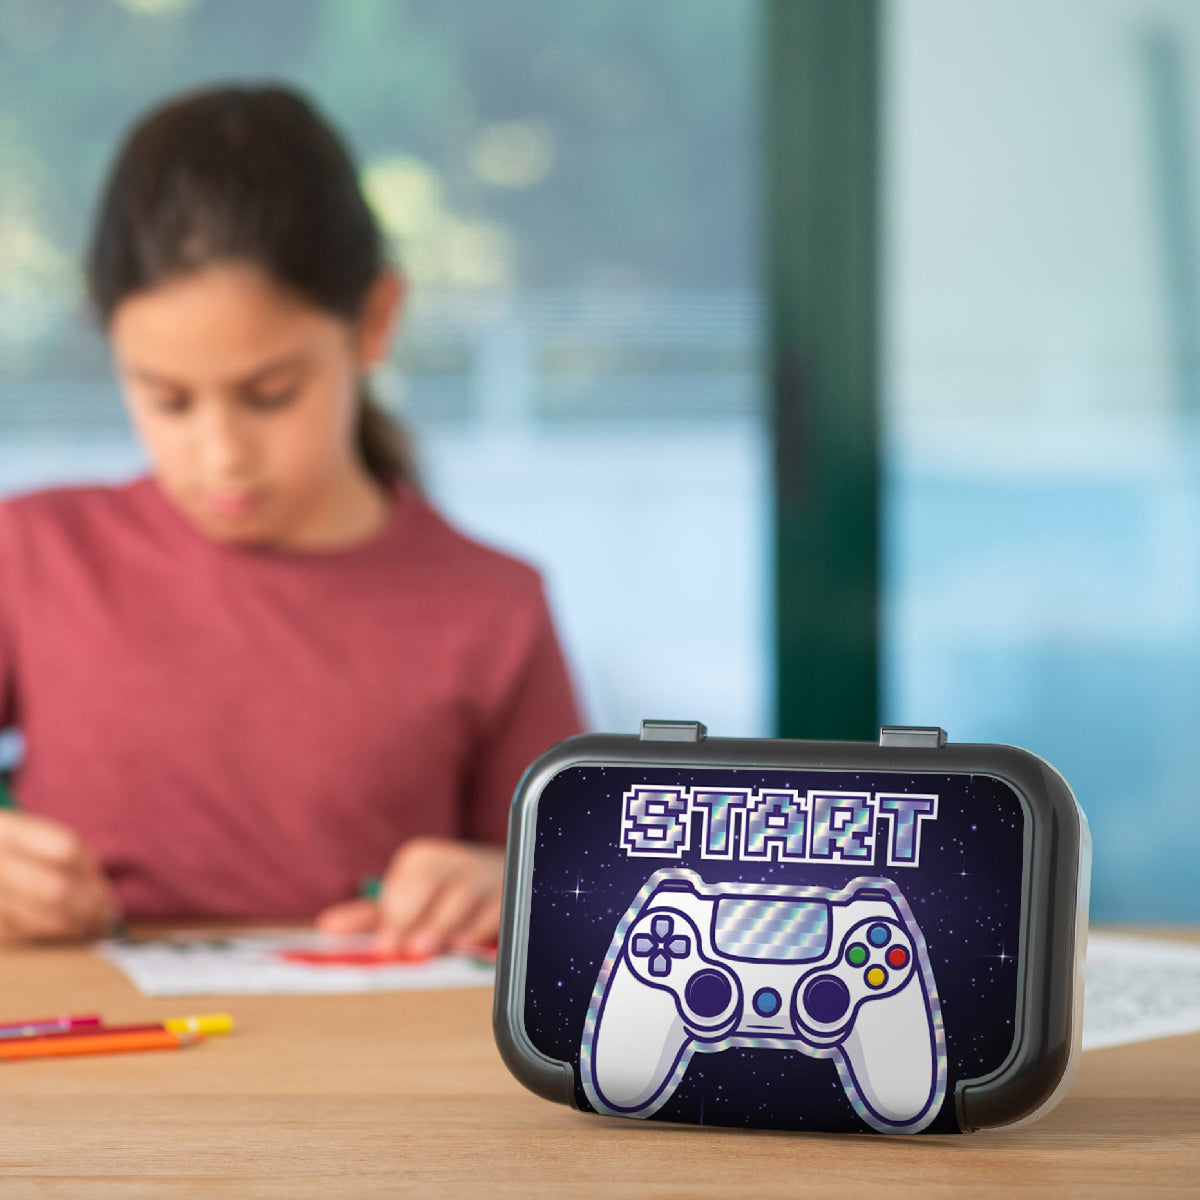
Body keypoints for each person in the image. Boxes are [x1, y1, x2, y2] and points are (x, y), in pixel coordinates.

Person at [0, 85, 583, 953]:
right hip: (92, 1037)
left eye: (270, 394)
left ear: (375, 321)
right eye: (166, 399)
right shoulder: (34, 556)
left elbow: (586, 904)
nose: (221, 455)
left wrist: (512, 889)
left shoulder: (495, 607)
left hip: (368, 1039)